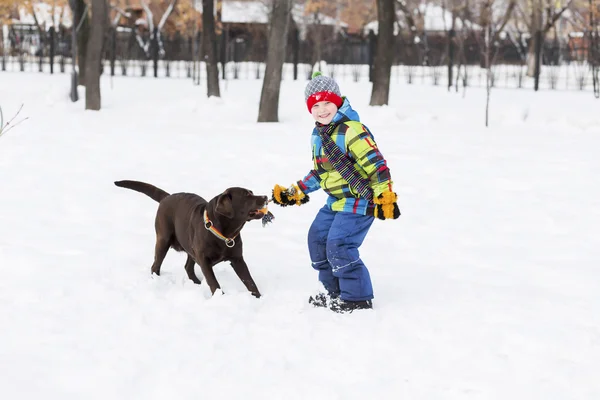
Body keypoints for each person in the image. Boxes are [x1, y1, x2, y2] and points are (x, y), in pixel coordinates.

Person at [271, 72, 400, 313]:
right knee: (317, 239)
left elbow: (377, 165)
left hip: (360, 202)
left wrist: (385, 196)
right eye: (315, 105)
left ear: (338, 101)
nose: (322, 110)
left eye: (327, 103)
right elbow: (321, 172)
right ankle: (332, 291)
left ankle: (357, 298)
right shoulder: (318, 134)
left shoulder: (353, 130)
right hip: (336, 201)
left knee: (339, 244)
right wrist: (295, 191)